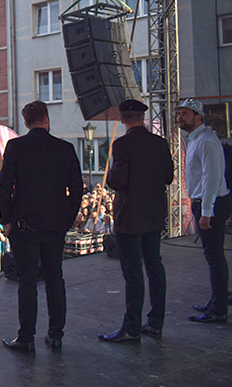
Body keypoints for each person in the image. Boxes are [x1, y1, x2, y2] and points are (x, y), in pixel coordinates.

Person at [0, 100, 83, 353]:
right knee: (55, 279)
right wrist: (67, 218)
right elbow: (77, 189)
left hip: (25, 226)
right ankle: (56, 335)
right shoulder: (65, 148)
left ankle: (26, 338)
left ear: (26, 122)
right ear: (47, 119)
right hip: (55, 225)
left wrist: (7, 220)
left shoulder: (15, 147)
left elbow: (5, 186)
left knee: (27, 283)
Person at [99, 100, 173, 343]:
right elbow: (168, 177)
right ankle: (156, 323)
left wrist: (109, 174)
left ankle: (131, 328)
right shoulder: (160, 143)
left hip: (130, 216)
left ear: (122, 119)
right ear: (142, 117)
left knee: (133, 273)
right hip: (153, 215)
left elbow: (118, 181)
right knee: (155, 267)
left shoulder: (122, 144)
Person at [177, 98, 231, 323]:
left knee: (214, 256)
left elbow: (212, 177)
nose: (180, 117)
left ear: (198, 117)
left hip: (212, 203)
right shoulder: (197, 139)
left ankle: (218, 310)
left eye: (185, 114)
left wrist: (207, 211)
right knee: (213, 256)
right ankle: (216, 301)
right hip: (206, 203)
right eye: (179, 114)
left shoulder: (206, 140)